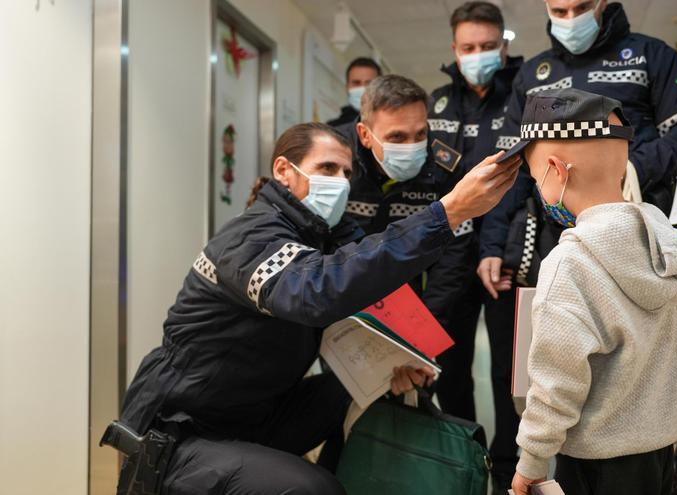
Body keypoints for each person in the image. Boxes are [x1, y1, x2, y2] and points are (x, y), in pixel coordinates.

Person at [106, 122, 519, 494]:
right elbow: (316, 291)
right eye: (326, 169)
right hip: (180, 432)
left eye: (345, 173)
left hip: (254, 413)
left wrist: (393, 364)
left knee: (369, 391)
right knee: (312, 490)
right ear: (284, 171)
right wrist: (448, 212)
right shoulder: (251, 236)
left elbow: (364, 266)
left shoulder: (323, 236)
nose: (339, 182)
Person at [503, 88, 677, 495]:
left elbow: (556, 382)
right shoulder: (666, 245)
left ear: (555, 170)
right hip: (661, 451)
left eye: (535, 180)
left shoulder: (570, 265)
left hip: (597, 463)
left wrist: (531, 462)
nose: (539, 192)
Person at [477, 0, 677, 311]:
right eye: (560, 12)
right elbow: (511, 165)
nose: (571, 19)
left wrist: (628, 169)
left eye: (582, 7)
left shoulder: (651, 55)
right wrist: (492, 245)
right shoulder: (532, 76)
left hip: (639, 225)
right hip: (557, 236)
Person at [425, 3, 523, 491]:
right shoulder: (438, 104)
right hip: (447, 258)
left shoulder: (523, 96)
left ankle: (509, 473)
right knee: (449, 370)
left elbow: (530, 180)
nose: (478, 55)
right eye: (469, 48)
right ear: (454, 50)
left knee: (509, 374)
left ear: (503, 47)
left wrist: (499, 244)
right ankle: (466, 461)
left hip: (504, 253)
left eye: (488, 47)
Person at [338, 74, 473, 339]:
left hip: (413, 293)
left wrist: (423, 327)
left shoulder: (446, 169)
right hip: (342, 295)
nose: (412, 147)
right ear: (365, 135)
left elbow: (454, 255)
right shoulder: (334, 161)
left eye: (420, 133)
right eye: (397, 137)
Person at [327, 57, 382, 127]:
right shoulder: (332, 130)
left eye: (369, 83)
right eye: (356, 83)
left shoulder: (392, 125)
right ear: (347, 87)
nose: (363, 88)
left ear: (380, 88)